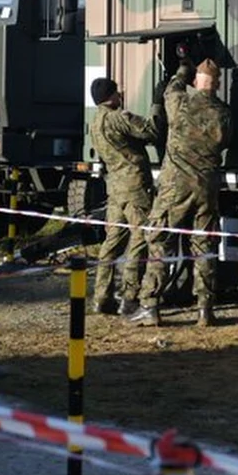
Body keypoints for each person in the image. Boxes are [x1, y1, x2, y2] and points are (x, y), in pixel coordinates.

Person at [129, 57, 233, 327]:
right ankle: (205, 310)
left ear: (197, 81)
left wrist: (182, 68)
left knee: (160, 242)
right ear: (218, 83)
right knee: (204, 246)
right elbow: (225, 143)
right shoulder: (224, 112)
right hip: (207, 187)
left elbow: (170, 88)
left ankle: (150, 306)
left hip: (175, 186)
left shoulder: (181, 103)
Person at [88, 77, 161, 316]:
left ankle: (101, 296)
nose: (121, 96)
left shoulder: (95, 120)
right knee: (140, 237)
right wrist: (157, 105)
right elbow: (151, 131)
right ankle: (129, 296)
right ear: (112, 96)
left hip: (115, 188)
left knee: (112, 242)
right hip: (134, 187)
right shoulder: (118, 117)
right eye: (118, 93)